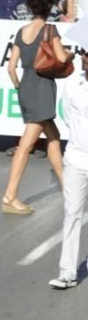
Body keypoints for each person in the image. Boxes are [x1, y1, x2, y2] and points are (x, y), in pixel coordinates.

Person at [1, 0, 74, 215]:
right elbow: (61, 58)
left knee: (53, 137)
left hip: (26, 88)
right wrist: (70, 54)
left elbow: (11, 68)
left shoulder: (21, 32)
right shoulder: (50, 30)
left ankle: (68, 187)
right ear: (48, 7)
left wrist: (19, 87)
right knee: (26, 145)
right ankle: (9, 196)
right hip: (42, 89)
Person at [49, 49, 88, 289]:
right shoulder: (73, 84)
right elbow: (66, 117)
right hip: (76, 159)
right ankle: (67, 273)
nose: (84, 58)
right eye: (84, 53)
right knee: (72, 213)